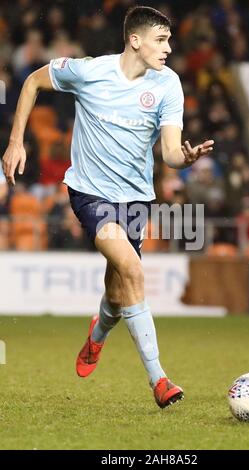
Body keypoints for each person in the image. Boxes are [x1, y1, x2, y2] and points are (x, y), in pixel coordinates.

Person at [2, 6, 214, 408]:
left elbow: (169, 151)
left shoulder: (169, 85)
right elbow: (31, 82)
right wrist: (16, 142)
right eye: (161, 40)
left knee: (118, 291)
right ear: (135, 40)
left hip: (135, 199)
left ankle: (98, 333)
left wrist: (183, 159)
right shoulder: (88, 71)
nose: (169, 48)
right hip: (90, 194)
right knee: (133, 269)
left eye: (168, 40)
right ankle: (160, 381)